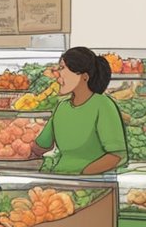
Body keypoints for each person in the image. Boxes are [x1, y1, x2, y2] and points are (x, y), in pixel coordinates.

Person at [31, 47, 128, 175]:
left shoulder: (103, 105)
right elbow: (41, 146)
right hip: (59, 180)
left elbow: (117, 156)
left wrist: (83, 175)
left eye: (62, 68)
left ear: (84, 76)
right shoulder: (62, 107)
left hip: (94, 185)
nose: (57, 74)